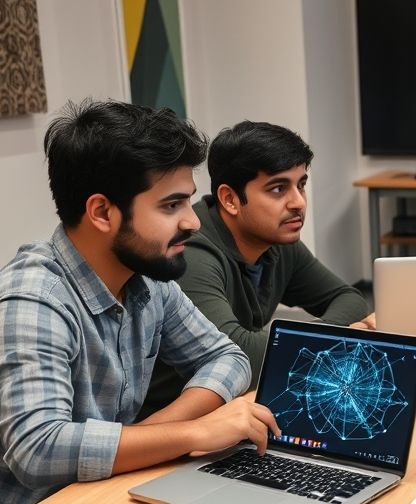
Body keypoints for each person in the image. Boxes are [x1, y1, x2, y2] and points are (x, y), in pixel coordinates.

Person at [0, 100, 279, 502]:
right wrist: (194, 432)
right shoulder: (34, 298)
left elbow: (227, 358)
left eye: (188, 200)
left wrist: (153, 434)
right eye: (171, 205)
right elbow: (37, 449)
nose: (194, 221)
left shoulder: (147, 276)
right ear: (102, 212)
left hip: (121, 486)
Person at [140, 121, 373, 417]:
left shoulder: (277, 240)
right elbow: (242, 353)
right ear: (230, 199)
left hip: (236, 406)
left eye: (301, 185)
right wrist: (339, 335)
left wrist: (323, 336)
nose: (298, 203)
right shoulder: (190, 251)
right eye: (278, 189)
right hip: (169, 427)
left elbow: (351, 300)